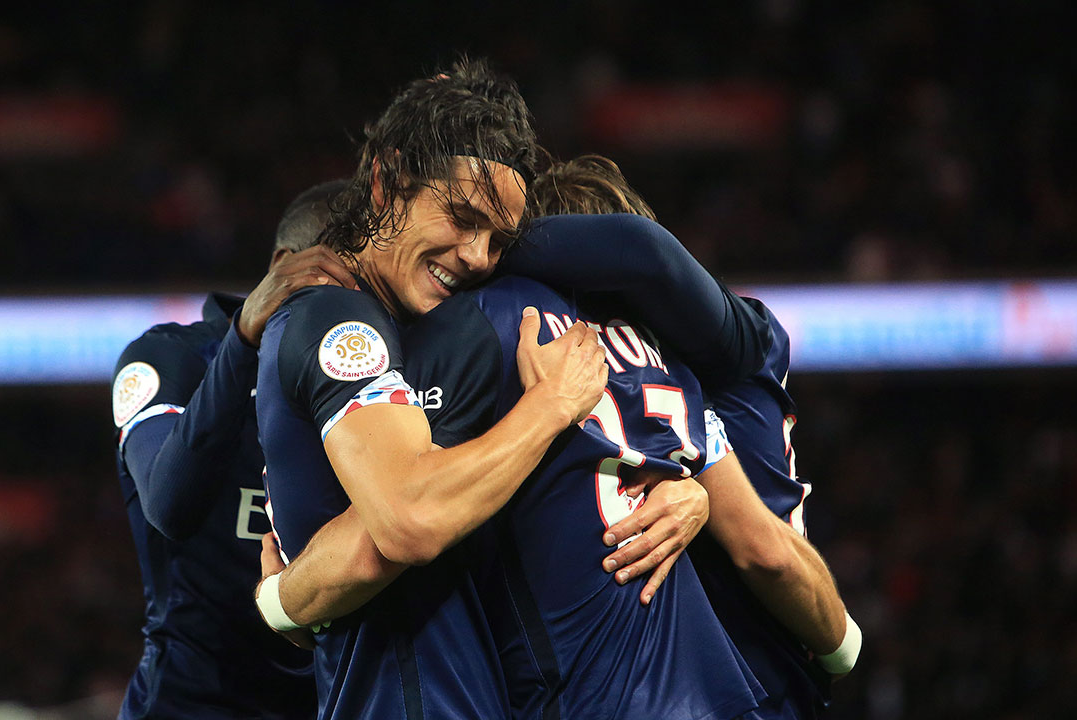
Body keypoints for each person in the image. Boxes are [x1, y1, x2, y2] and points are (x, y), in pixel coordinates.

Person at [259, 157, 858, 718]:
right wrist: (692, 493)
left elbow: (406, 516)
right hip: (723, 694)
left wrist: (282, 600)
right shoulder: (674, 359)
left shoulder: (490, 323)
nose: (478, 256)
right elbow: (760, 544)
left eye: (498, 239)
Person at [529, 155, 863, 718]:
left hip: (637, 674)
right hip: (760, 674)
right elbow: (765, 552)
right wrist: (845, 647)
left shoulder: (560, 353)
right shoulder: (705, 355)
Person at [112, 179, 355, 720]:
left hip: (328, 702)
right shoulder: (170, 359)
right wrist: (244, 343)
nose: (357, 313)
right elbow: (169, 504)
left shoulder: (368, 374)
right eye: (345, 284)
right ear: (285, 265)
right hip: (191, 704)